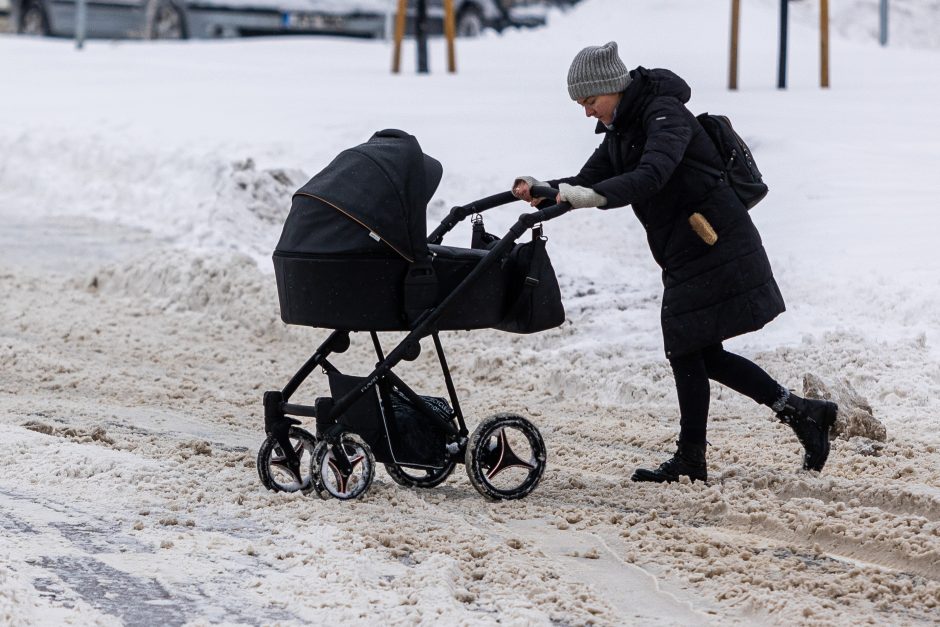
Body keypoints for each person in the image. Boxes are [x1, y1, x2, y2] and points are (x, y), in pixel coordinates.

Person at [512, 41, 838, 483]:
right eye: (580, 104)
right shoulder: (622, 129)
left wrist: (588, 198)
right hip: (687, 248)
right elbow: (589, 180)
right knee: (697, 351)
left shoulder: (665, 115)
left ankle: (698, 457)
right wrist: (545, 189)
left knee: (687, 347)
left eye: (590, 101)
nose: (587, 112)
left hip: (716, 241)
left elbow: (652, 175)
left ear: (613, 88)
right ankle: (799, 413)